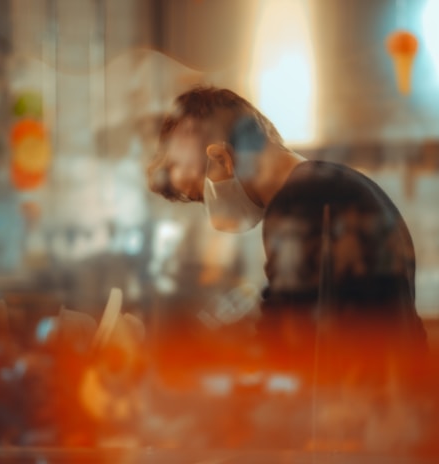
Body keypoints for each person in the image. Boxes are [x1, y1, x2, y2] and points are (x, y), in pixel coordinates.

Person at [147, 85, 427, 357]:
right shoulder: (337, 182)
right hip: (388, 394)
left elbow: (284, 341)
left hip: (363, 398)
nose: (210, 209)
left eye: (202, 195)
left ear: (221, 158)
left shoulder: (299, 201)